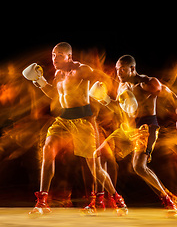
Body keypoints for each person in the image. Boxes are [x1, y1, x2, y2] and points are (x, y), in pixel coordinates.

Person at [23, 42, 128, 218]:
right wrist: (40, 81)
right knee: (47, 149)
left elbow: (105, 78)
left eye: (59, 55)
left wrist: (116, 97)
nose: (55, 58)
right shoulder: (58, 73)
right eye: (53, 55)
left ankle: (117, 199)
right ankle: (42, 202)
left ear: (69, 57)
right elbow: (55, 94)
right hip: (63, 120)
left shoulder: (81, 70)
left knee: (94, 168)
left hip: (83, 121)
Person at [91, 55, 177, 216]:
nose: (119, 73)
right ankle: (115, 199)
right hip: (126, 129)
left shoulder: (148, 83)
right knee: (97, 155)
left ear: (132, 68)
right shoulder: (122, 87)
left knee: (138, 166)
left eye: (122, 69)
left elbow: (170, 95)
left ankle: (167, 199)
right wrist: (104, 99)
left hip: (146, 129)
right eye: (117, 70)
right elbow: (119, 107)